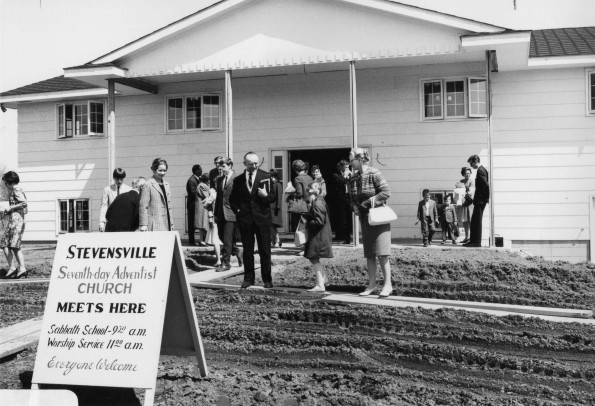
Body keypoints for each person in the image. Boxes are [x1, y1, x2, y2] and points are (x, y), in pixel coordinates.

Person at [348, 147, 393, 297]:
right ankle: (372, 285)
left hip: (379, 217)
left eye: (352, 160)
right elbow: (352, 197)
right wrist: (354, 205)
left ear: (360, 159)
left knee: (382, 253)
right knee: (370, 254)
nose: (350, 163)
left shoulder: (374, 173)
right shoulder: (353, 178)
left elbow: (386, 192)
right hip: (365, 219)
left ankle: (388, 285)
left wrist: (366, 203)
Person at [230, 152, 277, 289]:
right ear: (245, 163)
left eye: (256, 163)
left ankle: (267, 279)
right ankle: (248, 279)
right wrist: (238, 212)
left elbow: (273, 197)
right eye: (251, 164)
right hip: (245, 220)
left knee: (265, 250)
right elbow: (233, 200)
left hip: (262, 219)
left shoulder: (265, 176)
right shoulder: (238, 180)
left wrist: (266, 195)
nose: (255, 166)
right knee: (248, 251)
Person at [302, 181, 333, 292]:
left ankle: (320, 284)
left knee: (314, 258)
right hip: (321, 235)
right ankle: (323, 279)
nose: (307, 196)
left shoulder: (317, 203)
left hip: (318, 236)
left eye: (308, 193)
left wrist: (307, 221)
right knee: (313, 257)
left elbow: (319, 221)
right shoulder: (320, 201)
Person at [214, 157, 242, 272]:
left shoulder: (237, 179)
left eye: (223, 166)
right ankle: (237, 251)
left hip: (231, 213)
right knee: (222, 236)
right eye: (220, 166)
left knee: (227, 239)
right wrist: (215, 214)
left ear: (230, 165)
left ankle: (226, 264)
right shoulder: (220, 180)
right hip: (220, 213)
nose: (221, 168)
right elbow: (219, 198)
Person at [1, 171, 28, 279]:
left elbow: (24, 203)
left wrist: (10, 208)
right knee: (6, 244)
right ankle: (14, 268)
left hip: (17, 222)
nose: (5, 186)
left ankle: (21, 268)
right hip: (14, 220)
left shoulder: (17, 189)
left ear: (9, 181)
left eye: (6, 183)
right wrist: (8, 211)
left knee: (13, 245)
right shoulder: (14, 191)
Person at [139, 158, 174, 232]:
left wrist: (171, 223)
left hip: (166, 223)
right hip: (155, 224)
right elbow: (143, 206)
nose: (162, 173)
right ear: (154, 170)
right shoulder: (148, 185)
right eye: (160, 170)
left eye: (164, 170)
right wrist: (144, 224)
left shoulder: (167, 185)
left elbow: (169, 207)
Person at [465, 155, 490, 247]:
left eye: (471, 163)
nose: (471, 165)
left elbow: (486, 185)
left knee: (477, 221)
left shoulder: (480, 171)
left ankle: (476, 242)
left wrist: (486, 198)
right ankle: (473, 241)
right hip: (479, 200)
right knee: (475, 221)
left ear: (475, 161)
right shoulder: (482, 170)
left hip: (480, 200)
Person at [330, 160, 352, 244]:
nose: (347, 169)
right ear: (341, 167)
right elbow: (339, 184)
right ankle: (340, 235)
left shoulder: (349, 174)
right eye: (346, 167)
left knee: (349, 218)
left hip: (348, 197)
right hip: (340, 199)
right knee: (342, 218)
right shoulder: (336, 175)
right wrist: (345, 177)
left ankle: (348, 236)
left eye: (348, 167)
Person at [290, 159, 313, 231]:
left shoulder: (298, 178)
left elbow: (299, 193)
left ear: (295, 169)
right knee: (308, 226)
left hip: (302, 206)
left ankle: (301, 242)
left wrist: (291, 193)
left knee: (300, 227)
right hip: (311, 204)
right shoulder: (309, 177)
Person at [454, 167, 475, 243]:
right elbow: (456, 190)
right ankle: (466, 237)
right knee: (464, 221)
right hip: (462, 203)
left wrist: (464, 191)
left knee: (470, 220)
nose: (468, 175)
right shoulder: (461, 182)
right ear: (463, 174)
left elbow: (471, 192)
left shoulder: (471, 181)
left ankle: (472, 238)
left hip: (469, 203)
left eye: (469, 173)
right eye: (466, 173)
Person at [186, 164, 202, 245]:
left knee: (197, 223)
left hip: (197, 204)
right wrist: (202, 193)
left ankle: (199, 240)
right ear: (196, 171)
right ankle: (191, 241)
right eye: (200, 169)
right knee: (192, 223)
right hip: (192, 205)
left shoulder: (197, 179)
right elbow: (192, 192)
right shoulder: (192, 180)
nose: (201, 171)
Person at [194, 172, 211, 246]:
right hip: (203, 207)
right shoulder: (202, 186)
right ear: (207, 180)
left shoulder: (202, 185)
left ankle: (203, 240)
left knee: (204, 225)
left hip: (203, 206)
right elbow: (206, 196)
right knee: (202, 224)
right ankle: (202, 240)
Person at [269, 169, 283, 247]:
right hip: (270, 208)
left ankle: (277, 240)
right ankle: (274, 241)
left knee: (272, 225)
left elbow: (279, 197)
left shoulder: (278, 184)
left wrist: (278, 207)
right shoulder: (270, 184)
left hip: (275, 209)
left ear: (274, 177)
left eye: (271, 176)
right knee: (270, 225)